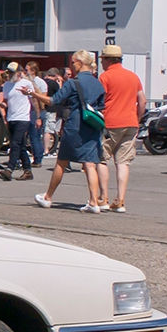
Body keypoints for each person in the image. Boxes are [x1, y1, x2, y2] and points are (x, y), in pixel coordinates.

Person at [30, 49, 106, 211]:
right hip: (92, 126)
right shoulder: (97, 83)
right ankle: (93, 202)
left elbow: (53, 100)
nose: (71, 66)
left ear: (80, 63)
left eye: (72, 63)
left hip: (75, 125)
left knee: (61, 162)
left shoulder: (73, 83)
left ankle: (48, 197)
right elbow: (102, 106)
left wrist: (34, 94)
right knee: (90, 164)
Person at [96, 43, 145, 212]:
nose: (101, 62)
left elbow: (99, 101)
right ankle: (120, 200)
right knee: (123, 162)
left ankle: (103, 198)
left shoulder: (105, 77)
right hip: (130, 122)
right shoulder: (133, 76)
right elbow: (142, 101)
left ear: (109, 60)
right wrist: (137, 119)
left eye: (103, 60)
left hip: (111, 122)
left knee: (102, 159)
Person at [0, 63, 35, 181]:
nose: (10, 75)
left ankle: (9, 169)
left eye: (12, 72)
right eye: (9, 72)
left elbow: (33, 99)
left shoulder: (26, 83)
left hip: (23, 118)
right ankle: (27, 170)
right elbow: (7, 100)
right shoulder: (7, 85)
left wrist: (37, 116)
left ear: (19, 73)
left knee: (14, 144)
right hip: (11, 117)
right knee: (21, 146)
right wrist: (3, 105)